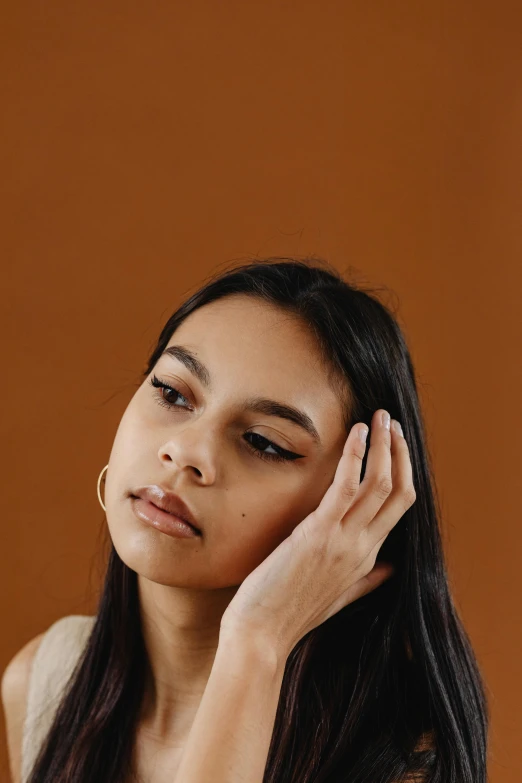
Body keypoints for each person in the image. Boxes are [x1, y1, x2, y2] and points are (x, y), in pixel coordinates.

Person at [2, 258, 488, 782]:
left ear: (354, 504)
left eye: (264, 443)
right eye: (172, 392)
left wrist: (256, 641)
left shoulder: (401, 758)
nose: (186, 452)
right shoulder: (46, 684)